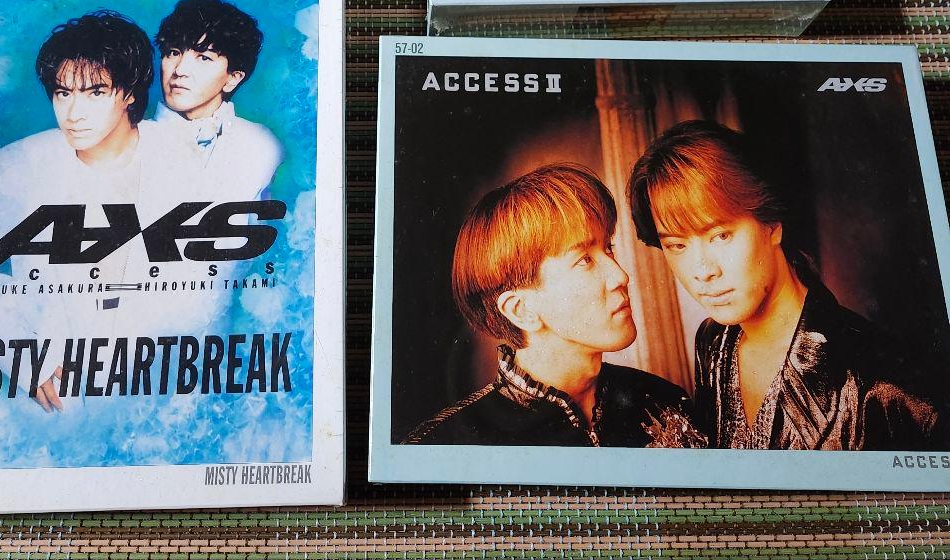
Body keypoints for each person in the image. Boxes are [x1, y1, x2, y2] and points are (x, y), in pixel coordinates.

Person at [628, 119, 950, 450]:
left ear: (772, 225)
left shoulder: (886, 389)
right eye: (677, 245)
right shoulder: (713, 342)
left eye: (721, 236)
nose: (703, 271)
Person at [0, 11, 200, 412]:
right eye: (62, 93)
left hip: (169, 381)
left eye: (95, 93)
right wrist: (25, 361)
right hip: (63, 386)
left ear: (130, 93)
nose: (73, 113)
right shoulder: (9, 169)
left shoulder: (186, 158)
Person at [405, 164, 703, 447]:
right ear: (520, 310)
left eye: (608, 248)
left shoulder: (663, 400)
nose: (621, 276)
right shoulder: (446, 443)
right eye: (584, 260)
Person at [153, 0, 282, 201]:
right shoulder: (128, 140)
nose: (180, 70)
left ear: (233, 78)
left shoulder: (263, 145)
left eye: (203, 58)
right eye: (173, 52)